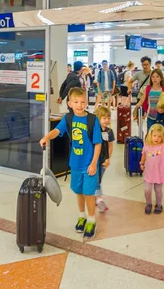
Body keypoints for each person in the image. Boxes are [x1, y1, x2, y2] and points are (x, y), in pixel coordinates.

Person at [40, 87, 102, 239]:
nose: (80, 105)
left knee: (89, 193)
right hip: (75, 164)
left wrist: (94, 163)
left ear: (86, 102)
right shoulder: (67, 119)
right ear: (69, 103)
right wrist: (47, 137)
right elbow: (57, 131)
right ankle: (82, 216)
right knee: (79, 192)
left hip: (89, 164)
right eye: (76, 102)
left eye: (82, 102)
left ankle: (91, 220)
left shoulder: (92, 120)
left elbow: (98, 143)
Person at [140, 124, 164, 214]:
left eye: (159, 136)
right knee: (147, 190)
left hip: (159, 173)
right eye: (154, 136)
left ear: (162, 137)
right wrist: (142, 163)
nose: (156, 138)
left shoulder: (163, 146)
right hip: (148, 173)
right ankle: (148, 204)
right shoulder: (147, 146)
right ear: (150, 135)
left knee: (158, 190)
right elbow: (144, 155)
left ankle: (159, 204)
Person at [94, 106, 114, 213]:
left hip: (103, 160)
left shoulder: (109, 132)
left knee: (98, 179)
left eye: (108, 118)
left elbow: (110, 146)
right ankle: (99, 199)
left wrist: (108, 159)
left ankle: (95, 196)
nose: (107, 120)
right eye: (104, 118)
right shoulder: (94, 130)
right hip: (93, 160)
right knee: (96, 180)